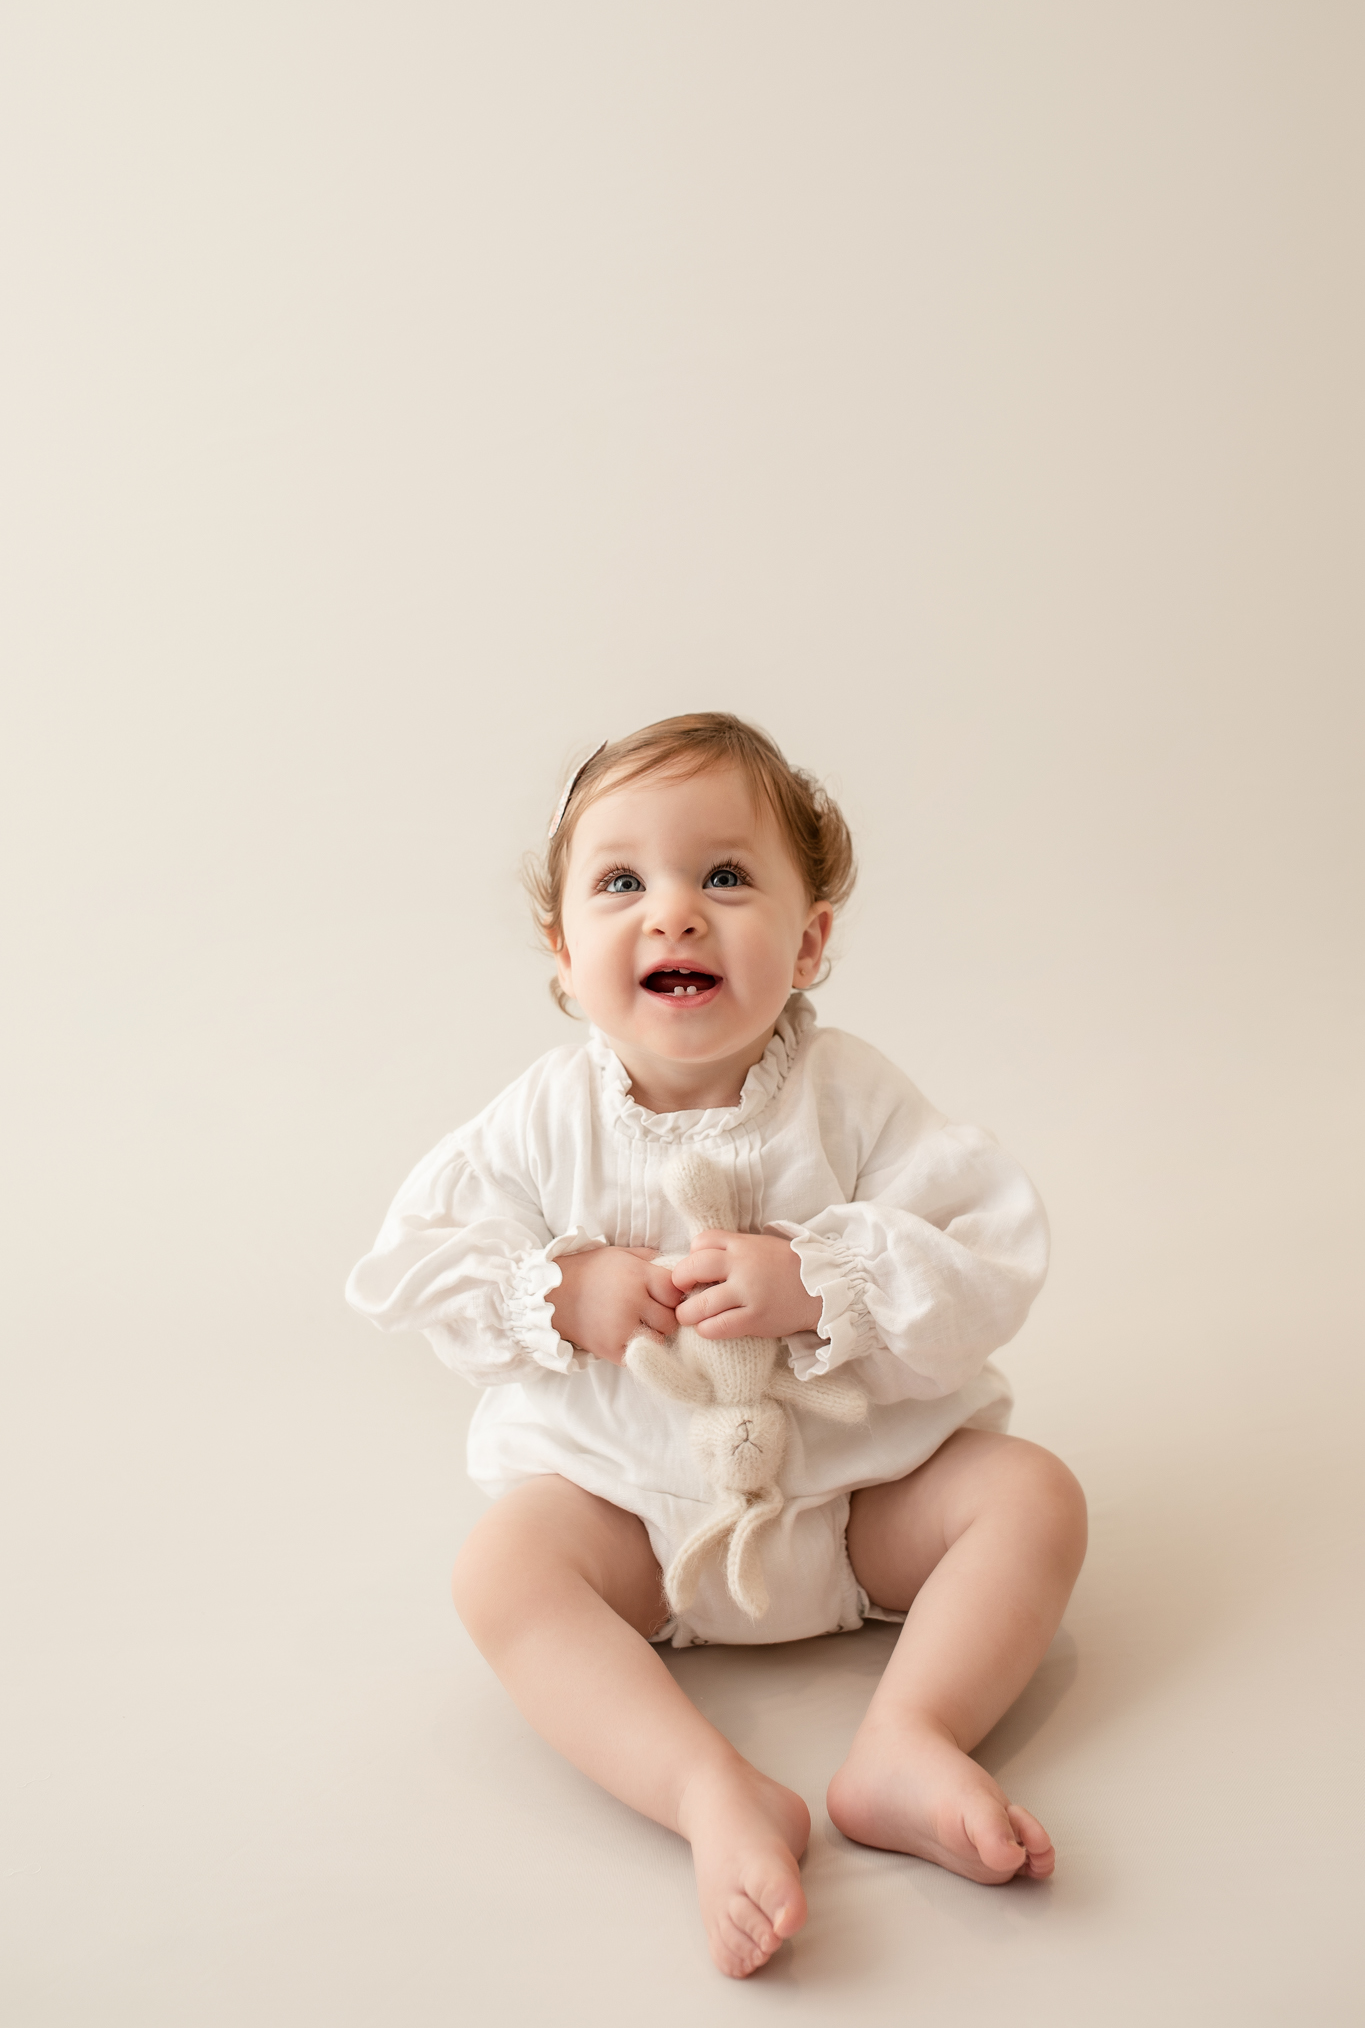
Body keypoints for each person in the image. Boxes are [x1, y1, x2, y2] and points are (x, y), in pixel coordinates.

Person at [346, 712, 1087, 1980]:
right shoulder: (541, 1118)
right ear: (564, 951)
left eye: (725, 875)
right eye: (622, 881)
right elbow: (412, 1263)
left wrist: (822, 1278)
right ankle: (708, 1789)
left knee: (1033, 1496)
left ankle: (907, 1738)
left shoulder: (851, 1097)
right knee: (502, 1571)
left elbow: (990, 1250)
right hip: (634, 1522)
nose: (674, 912)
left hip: (856, 1501)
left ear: (808, 941)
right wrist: (557, 1288)